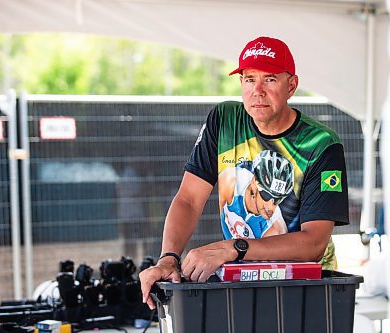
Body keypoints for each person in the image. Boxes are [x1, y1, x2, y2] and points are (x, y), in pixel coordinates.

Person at [139, 36, 349, 310]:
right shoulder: (225, 119)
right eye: (250, 79)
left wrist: (233, 248)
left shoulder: (321, 144)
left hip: (306, 293)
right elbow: (189, 198)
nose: (258, 90)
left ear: (291, 86)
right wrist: (168, 258)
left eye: (270, 79)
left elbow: (314, 242)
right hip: (241, 286)